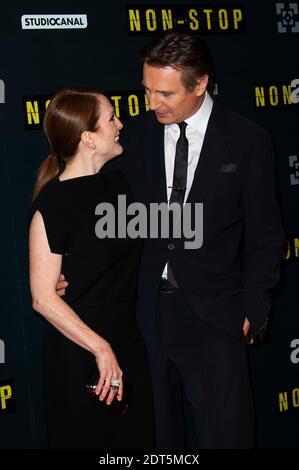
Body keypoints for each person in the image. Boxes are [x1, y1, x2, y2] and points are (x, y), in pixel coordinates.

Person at [57, 31, 284, 449]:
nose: (151, 103)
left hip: (216, 315)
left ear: (200, 85)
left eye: (165, 93)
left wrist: (255, 305)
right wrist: (66, 268)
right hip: (143, 314)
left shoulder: (248, 141)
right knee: (157, 439)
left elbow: (267, 236)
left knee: (227, 436)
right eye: (146, 90)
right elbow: (92, 210)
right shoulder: (131, 138)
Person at [28, 88, 155, 449]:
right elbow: (42, 299)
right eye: (112, 119)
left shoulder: (119, 185)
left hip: (128, 344)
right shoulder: (51, 205)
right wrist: (100, 349)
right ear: (88, 139)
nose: (121, 124)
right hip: (80, 352)